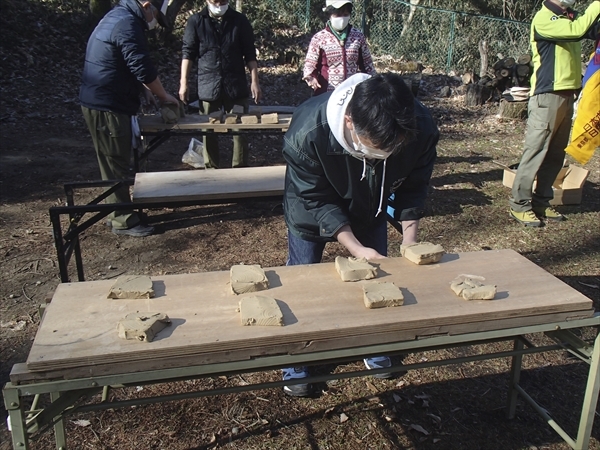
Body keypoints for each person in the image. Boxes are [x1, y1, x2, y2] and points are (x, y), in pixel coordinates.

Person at [281, 73, 439, 397]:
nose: (385, 154)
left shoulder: (418, 125)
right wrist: (353, 245)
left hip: (371, 204)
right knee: (303, 280)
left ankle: (374, 342)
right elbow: (314, 198)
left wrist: (410, 240)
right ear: (350, 121)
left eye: (392, 149)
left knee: (376, 280)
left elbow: (413, 186)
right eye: (376, 148)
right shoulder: (308, 131)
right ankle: (296, 356)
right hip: (310, 206)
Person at [80, 0, 178, 237]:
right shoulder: (127, 23)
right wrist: (164, 96)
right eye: (155, 14)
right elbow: (141, 66)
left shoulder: (119, 17)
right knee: (116, 163)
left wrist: (143, 90)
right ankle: (123, 220)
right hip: (108, 105)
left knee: (113, 162)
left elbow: (121, 62)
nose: (154, 20)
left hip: (105, 101)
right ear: (146, 5)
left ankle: (117, 210)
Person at [509, 0, 600, 227]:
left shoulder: (570, 15)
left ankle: (542, 201)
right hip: (546, 95)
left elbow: (591, 29)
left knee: (555, 154)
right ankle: (519, 204)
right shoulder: (544, 19)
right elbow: (577, 31)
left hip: (568, 94)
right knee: (536, 150)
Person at [179, 0, 262, 169]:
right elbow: (188, 53)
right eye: (216, 1)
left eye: (223, 1)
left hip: (236, 86)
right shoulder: (196, 21)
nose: (219, 4)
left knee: (240, 130)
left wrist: (255, 81)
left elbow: (250, 53)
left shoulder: (240, 21)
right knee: (208, 131)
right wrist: (183, 82)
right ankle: (211, 171)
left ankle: (239, 171)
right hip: (208, 86)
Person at [303, 0, 375, 96]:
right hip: (326, 93)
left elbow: (367, 64)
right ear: (330, 14)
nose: (342, 18)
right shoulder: (319, 38)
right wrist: (311, 76)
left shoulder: (358, 36)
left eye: (345, 14)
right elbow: (310, 64)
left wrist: (374, 81)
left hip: (351, 93)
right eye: (338, 14)